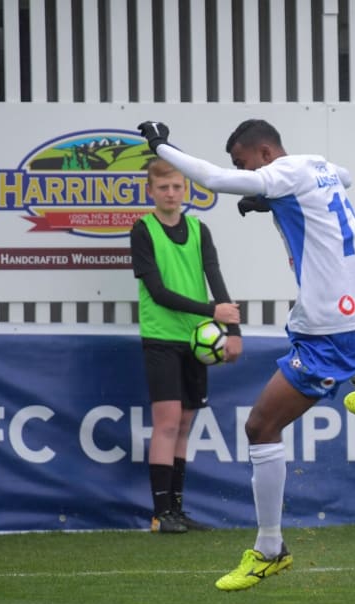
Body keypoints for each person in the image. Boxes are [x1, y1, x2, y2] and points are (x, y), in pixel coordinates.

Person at [136, 118, 355, 591]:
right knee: (352, 363)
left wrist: (162, 144)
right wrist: (270, 200)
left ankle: (269, 550)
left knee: (261, 427)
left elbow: (215, 180)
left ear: (263, 154)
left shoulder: (282, 172)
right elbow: (344, 179)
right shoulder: (317, 165)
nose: (243, 172)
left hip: (334, 326)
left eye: (245, 164)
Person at [131, 158, 244, 534]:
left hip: (197, 341)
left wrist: (233, 331)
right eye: (163, 188)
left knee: (183, 425)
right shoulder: (143, 230)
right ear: (151, 191)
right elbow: (158, 292)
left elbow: (215, 277)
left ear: (186, 189)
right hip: (161, 338)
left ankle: (177, 510)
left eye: (177, 187)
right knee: (165, 424)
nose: (171, 193)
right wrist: (213, 310)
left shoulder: (198, 228)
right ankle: (160, 513)